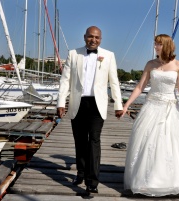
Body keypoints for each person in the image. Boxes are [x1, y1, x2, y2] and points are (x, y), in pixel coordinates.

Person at [120, 34, 179, 197]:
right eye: (155, 43)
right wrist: (126, 105)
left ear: (166, 45)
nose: (155, 46)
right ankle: (147, 181)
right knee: (148, 142)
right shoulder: (150, 64)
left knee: (171, 144)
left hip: (170, 108)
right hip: (152, 107)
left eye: (158, 44)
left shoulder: (177, 65)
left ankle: (172, 181)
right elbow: (140, 87)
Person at [57, 26, 123, 194]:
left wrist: (118, 105)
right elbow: (65, 80)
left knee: (94, 140)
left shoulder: (108, 56)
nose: (94, 40)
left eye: (97, 37)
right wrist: (60, 103)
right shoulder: (73, 54)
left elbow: (114, 82)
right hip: (77, 103)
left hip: (97, 105)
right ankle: (80, 172)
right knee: (80, 141)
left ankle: (92, 182)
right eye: (91, 36)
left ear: (101, 39)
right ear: (84, 37)